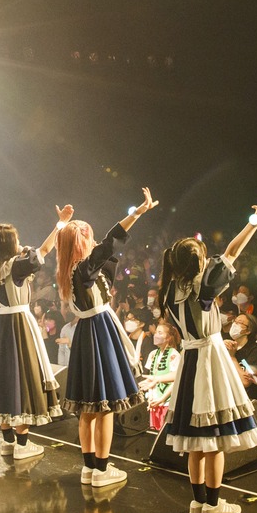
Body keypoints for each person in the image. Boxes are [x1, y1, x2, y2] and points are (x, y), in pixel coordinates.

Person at [160, 194, 257, 513]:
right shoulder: (203, 285)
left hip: (190, 359)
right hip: (209, 360)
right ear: (197, 261)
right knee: (214, 441)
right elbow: (232, 252)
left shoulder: (170, 289)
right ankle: (212, 505)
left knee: (196, 443)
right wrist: (256, 221)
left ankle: (199, 503)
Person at [58, 187, 159, 489]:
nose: (93, 241)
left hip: (89, 333)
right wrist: (136, 214)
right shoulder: (83, 269)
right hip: (98, 332)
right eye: (87, 237)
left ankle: (91, 468)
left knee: (90, 407)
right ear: (81, 242)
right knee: (104, 407)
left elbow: (107, 252)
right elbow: (109, 243)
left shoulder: (71, 271)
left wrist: (62, 225)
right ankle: (101, 469)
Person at [0, 205, 71, 460]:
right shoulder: (16, 266)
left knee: (5, 379)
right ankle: (22, 444)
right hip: (19, 324)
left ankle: (8, 441)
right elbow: (44, 251)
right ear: (9, 244)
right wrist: (60, 224)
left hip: (1, 327)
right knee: (22, 378)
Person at [140, 319, 181, 431]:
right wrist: (150, 397)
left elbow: (175, 380)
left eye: (160, 333)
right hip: (154, 400)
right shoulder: (153, 354)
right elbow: (151, 377)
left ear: (168, 338)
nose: (156, 335)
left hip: (167, 401)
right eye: (156, 332)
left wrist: (162, 399)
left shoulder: (174, 355)